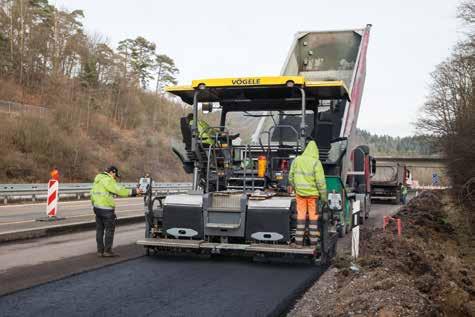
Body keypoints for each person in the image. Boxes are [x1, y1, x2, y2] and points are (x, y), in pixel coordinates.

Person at [90, 166, 141, 257]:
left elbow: (92, 194)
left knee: (99, 230)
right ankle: (107, 251)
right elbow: (119, 190)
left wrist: (94, 205)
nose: (115, 177)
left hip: (97, 208)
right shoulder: (108, 180)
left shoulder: (97, 179)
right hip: (107, 209)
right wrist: (134, 192)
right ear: (112, 172)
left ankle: (100, 251)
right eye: (115, 175)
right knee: (109, 230)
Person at [288, 140, 328, 247]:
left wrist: (295, 188)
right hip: (313, 196)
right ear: (316, 151)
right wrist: (324, 197)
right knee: (313, 218)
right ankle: (313, 243)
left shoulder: (297, 160)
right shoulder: (316, 162)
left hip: (300, 195)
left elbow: (290, 177)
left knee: (300, 216)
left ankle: (298, 243)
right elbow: (321, 183)